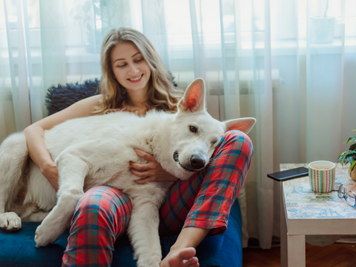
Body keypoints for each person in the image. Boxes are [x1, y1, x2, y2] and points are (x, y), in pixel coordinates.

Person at [23, 27, 253, 267]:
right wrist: (48, 167)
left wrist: (168, 173)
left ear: (150, 59)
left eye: (138, 59)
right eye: (121, 64)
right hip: (117, 194)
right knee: (94, 203)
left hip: (171, 199)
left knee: (238, 141)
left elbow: (207, 150)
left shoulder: (183, 106)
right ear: (111, 71)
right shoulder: (100, 104)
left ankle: (179, 249)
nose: (133, 70)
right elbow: (33, 130)